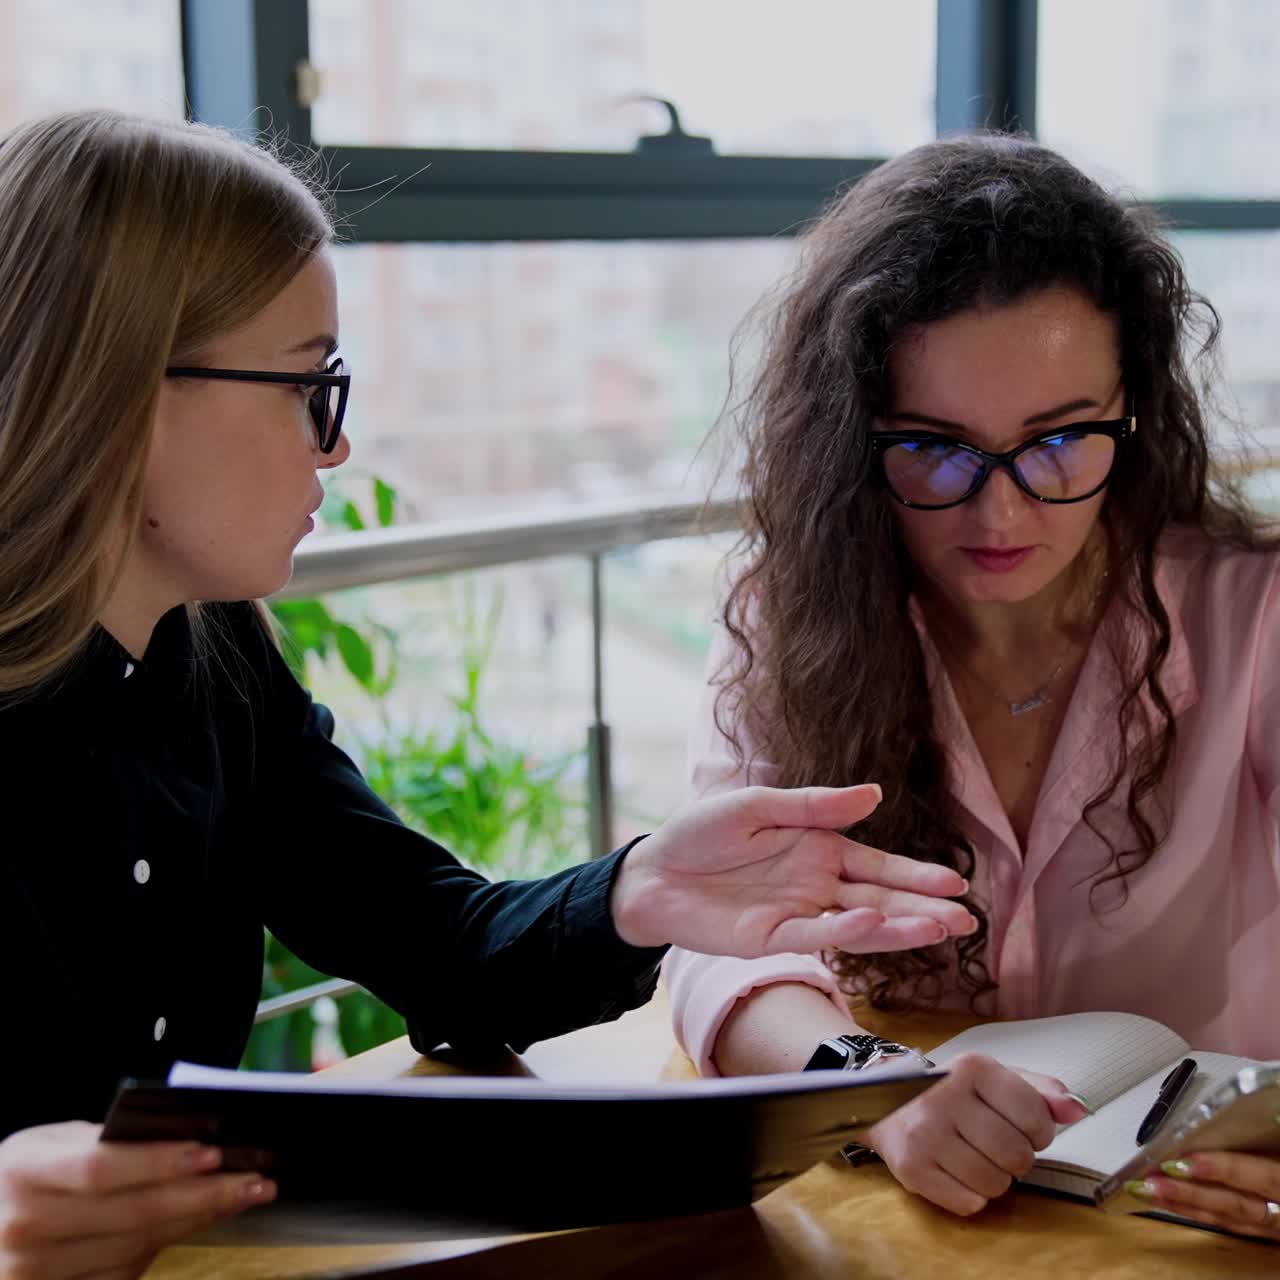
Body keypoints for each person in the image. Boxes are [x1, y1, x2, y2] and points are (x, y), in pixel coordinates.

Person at [0, 110, 979, 1278]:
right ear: (123, 386)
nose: (335, 447)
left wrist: (643, 886)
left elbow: (437, 946)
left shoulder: (215, 666)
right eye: (310, 384)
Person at [665, 133, 1280, 1242]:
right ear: (855, 440)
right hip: (904, 1219)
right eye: (933, 450)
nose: (999, 517)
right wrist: (869, 1082)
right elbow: (715, 942)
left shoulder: (1256, 616)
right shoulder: (783, 612)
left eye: (1057, 443)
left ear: (1130, 416)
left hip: (1183, 1218)